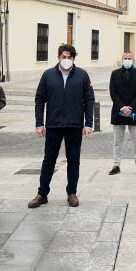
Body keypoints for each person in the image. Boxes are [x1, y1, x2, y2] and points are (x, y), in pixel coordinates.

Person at [29, 45, 94, 208]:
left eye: (69, 57)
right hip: (54, 125)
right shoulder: (48, 75)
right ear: (58, 57)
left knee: (73, 160)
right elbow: (39, 99)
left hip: (74, 124)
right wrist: (39, 123)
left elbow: (89, 100)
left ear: (73, 58)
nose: (66, 60)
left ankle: (72, 193)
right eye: (64, 56)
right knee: (49, 159)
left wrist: (88, 123)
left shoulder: (82, 75)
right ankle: (42, 194)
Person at [108, 51, 136, 176]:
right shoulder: (114, 74)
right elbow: (113, 93)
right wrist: (122, 107)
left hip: (134, 113)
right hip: (118, 112)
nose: (127, 60)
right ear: (122, 59)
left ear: (133, 59)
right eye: (125, 58)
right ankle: (116, 165)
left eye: (129, 58)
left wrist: (130, 108)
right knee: (117, 142)